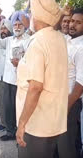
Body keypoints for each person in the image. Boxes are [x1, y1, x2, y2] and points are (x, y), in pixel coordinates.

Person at [16, 0, 68, 158]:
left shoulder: (38, 42)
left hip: (36, 125)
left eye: (31, 11)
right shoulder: (59, 38)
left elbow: (35, 87)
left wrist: (22, 123)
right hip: (53, 121)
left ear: (36, 15)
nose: (30, 16)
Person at [0, 9, 30, 141]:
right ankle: (10, 132)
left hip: (21, 81)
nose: (17, 27)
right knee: (8, 108)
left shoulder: (29, 40)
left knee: (20, 109)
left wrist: (20, 63)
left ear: (25, 26)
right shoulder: (9, 40)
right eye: (15, 25)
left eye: (20, 25)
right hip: (7, 79)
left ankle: (21, 135)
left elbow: (32, 60)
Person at [56, 8, 83, 158]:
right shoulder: (67, 41)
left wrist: (66, 107)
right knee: (57, 144)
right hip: (58, 100)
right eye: (72, 21)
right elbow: (54, 28)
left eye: (78, 23)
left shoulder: (81, 48)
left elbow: (80, 84)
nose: (72, 25)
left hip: (69, 103)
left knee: (67, 147)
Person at [0, 19, 13, 132]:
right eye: (1, 29)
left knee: (11, 102)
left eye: (5, 28)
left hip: (11, 77)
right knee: (0, 101)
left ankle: (12, 124)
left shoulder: (13, 41)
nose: (3, 31)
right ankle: (3, 122)